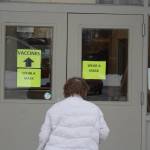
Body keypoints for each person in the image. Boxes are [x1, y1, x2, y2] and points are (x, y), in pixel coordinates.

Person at [37, 77, 110, 150]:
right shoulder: (94, 109)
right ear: (85, 91)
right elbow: (104, 132)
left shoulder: (55, 108)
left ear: (65, 90)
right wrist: (92, 141)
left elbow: (44, 135)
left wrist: (40, 148)